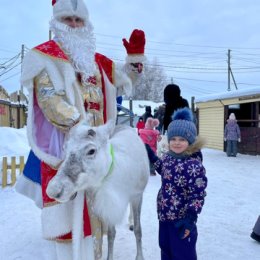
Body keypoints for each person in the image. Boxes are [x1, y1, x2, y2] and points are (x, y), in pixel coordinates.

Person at [15, 1, 146, 260]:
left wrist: (134, 61)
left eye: (79, 20)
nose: (74, 25)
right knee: (68, 221)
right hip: (66, 148)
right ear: (57, 23)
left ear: (86, 24)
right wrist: (81, 128)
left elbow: (124, 80)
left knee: (97, 214)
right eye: (68, 19)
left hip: (95, 152)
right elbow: (50, 100)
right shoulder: (45, 56)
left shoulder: (95, 61)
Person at [146, 107, 207, 260]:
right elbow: (164, 170)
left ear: (190, 141)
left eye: (182, 139)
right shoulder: (168, 157)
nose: (177, 143)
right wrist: (152, 157)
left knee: (182, 254)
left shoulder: (193, 165)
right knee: (166, 250)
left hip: (182, 221)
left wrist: (190, 219)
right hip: (164, 217)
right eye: (173, 139)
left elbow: (198, 195)